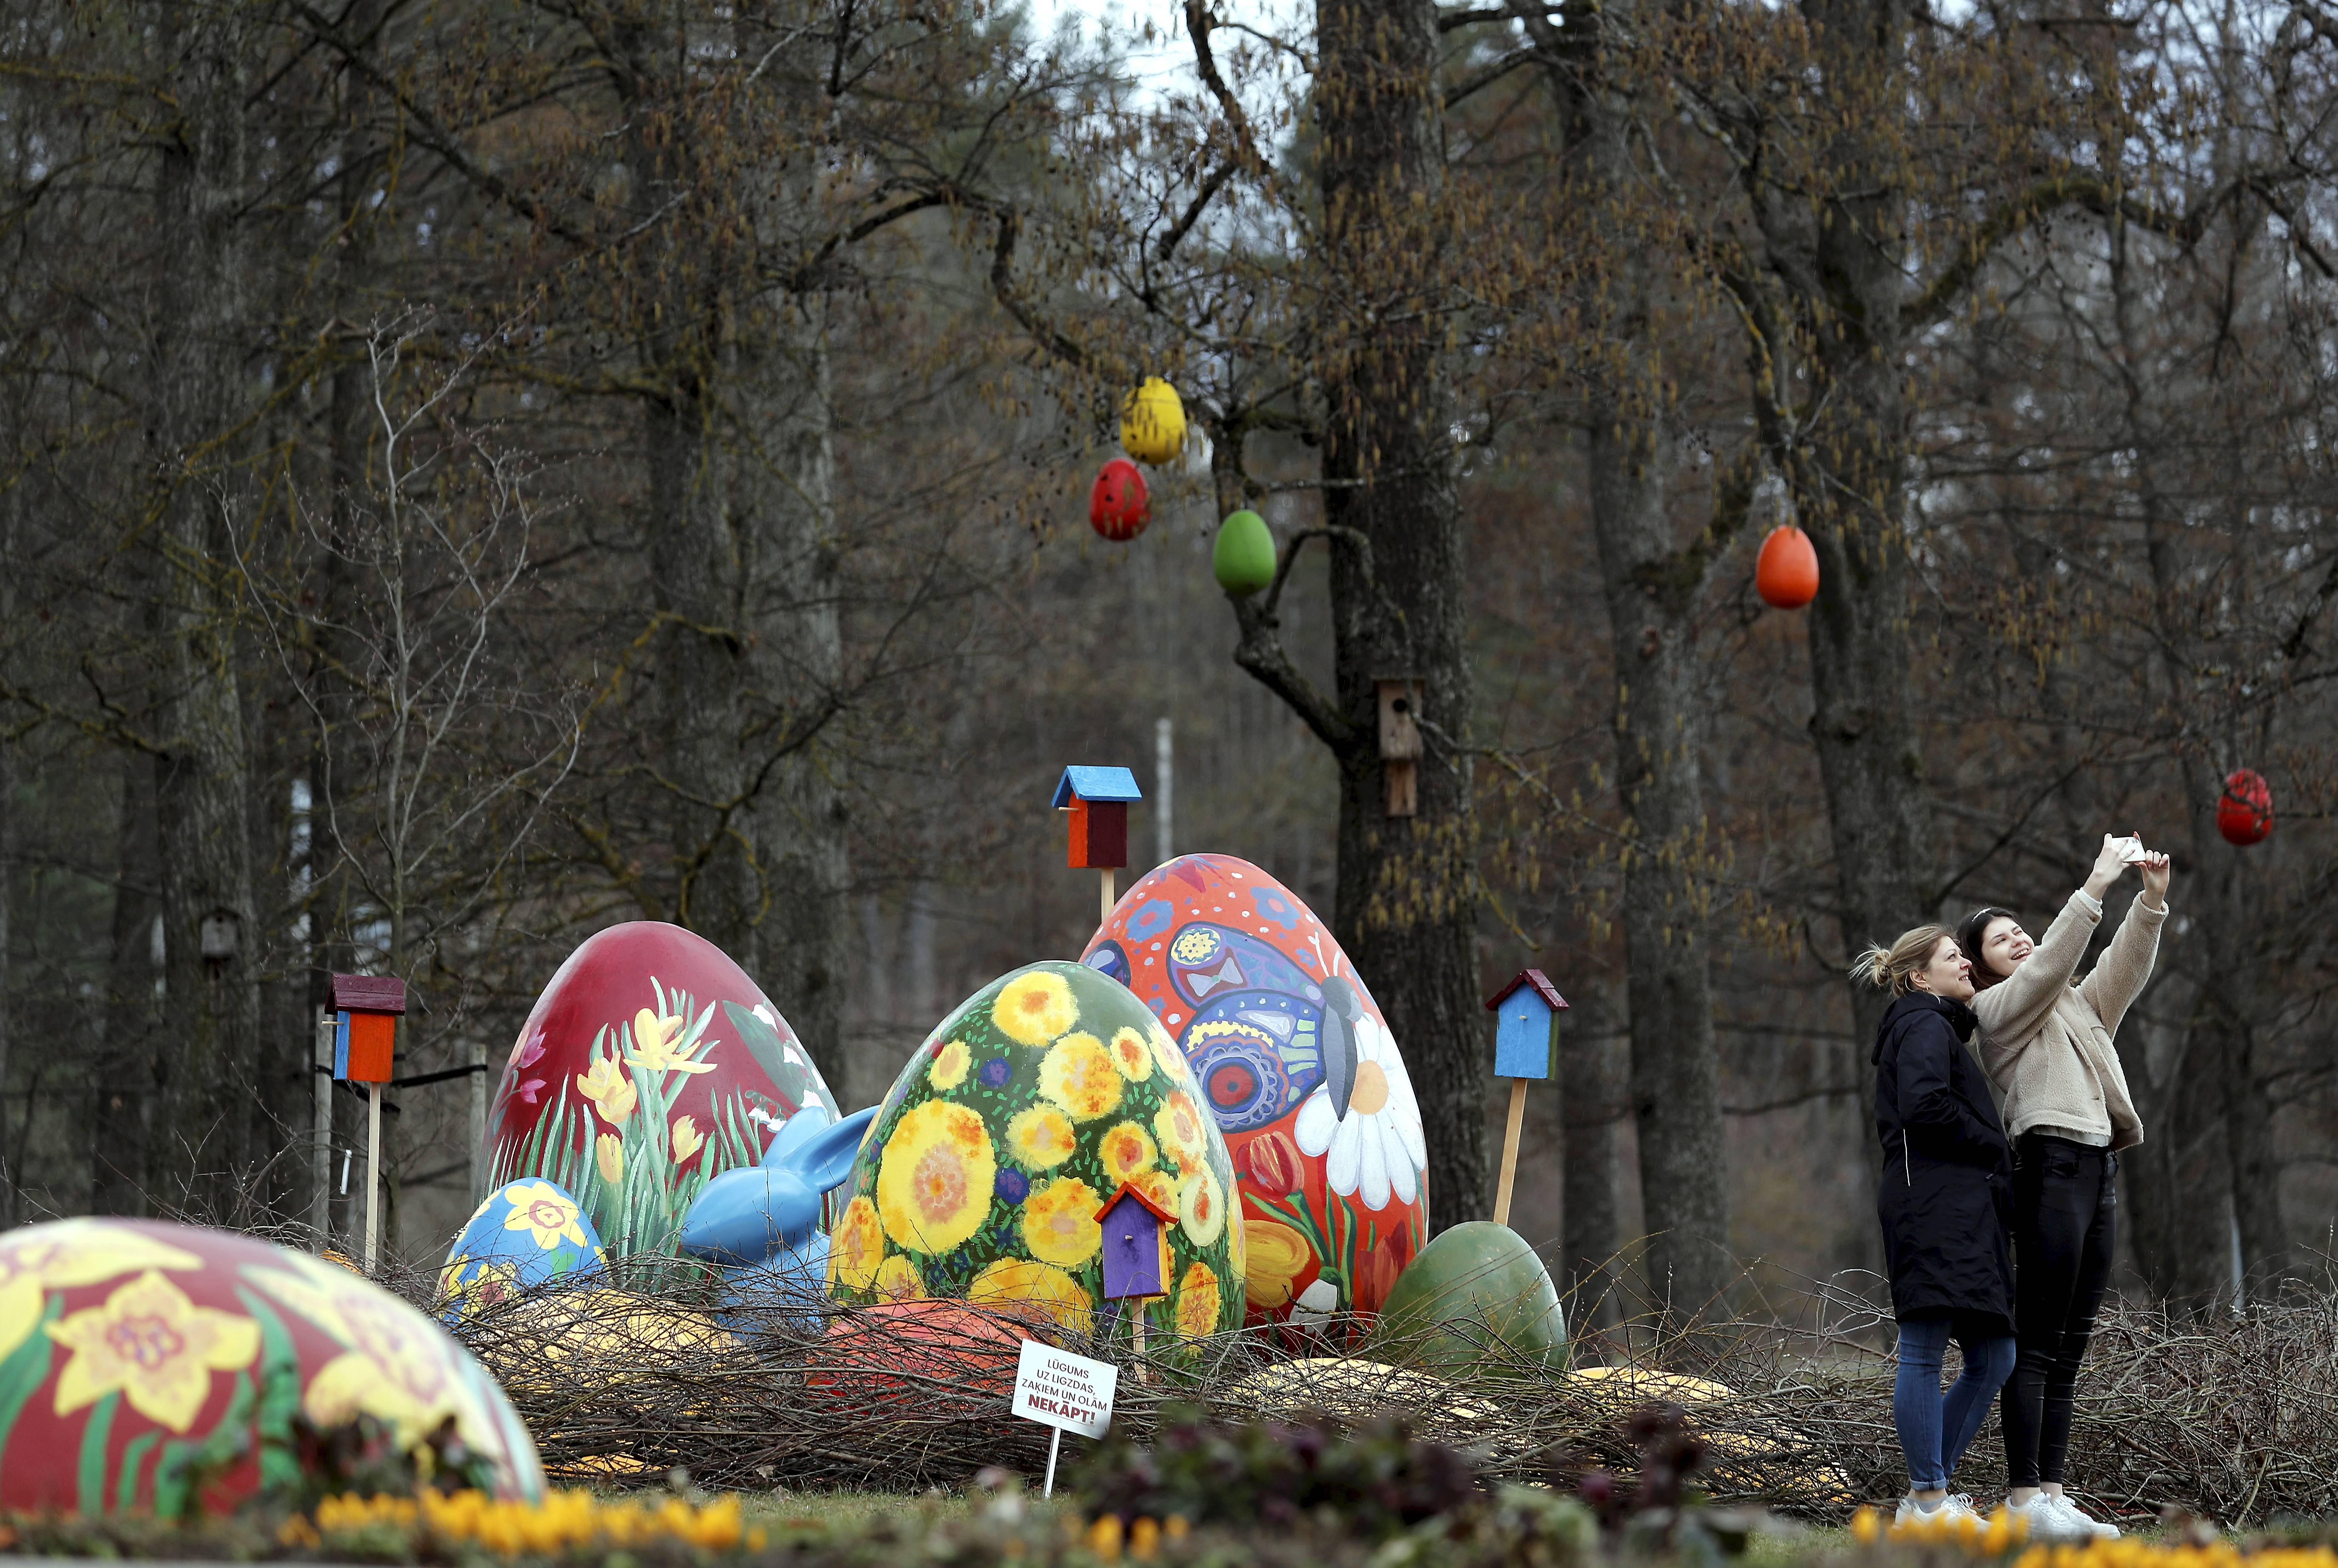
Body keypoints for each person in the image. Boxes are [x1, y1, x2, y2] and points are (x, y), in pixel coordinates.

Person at [1955, 834, 2171, 1543]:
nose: (2017, 941)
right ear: (1982, 969)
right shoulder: (1997, 1014)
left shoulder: (2075, 1009)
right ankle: (2022, 1500)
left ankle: (2050, 1493)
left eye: (2018, 930)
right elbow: (2053, 962)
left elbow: (2117, 973)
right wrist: (2094, 886)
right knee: (2037, 1340)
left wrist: (2147, 903)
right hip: (2047, 1167)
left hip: (2098, 1166)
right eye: (2000, 941)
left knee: (2071, 1343)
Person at [1859, 925, 2019, 1527]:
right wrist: (1993, 1146)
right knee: (1923, 1352)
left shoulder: (1937, 1028)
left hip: (1960, 1213)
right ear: (1918, 977)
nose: (1966, 965)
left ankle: (1927, 1493)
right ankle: (1928, 1496)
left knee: (1995, 1356)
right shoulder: (1922, 1023)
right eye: (1953, 957)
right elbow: (1924, 1106)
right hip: (1929, 1209)